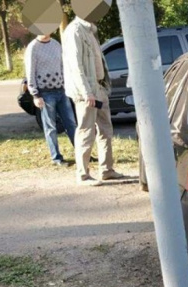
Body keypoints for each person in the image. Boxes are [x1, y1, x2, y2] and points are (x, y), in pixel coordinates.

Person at [62, 15, 126, 186]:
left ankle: (107, 170)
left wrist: (103, 87)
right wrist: (86, 92)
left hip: (99, 87)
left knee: (106, 130)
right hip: (86, 92)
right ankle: (82, 175)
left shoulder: (90, 29)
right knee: (86, 131)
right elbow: (76, 67)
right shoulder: (74, 31)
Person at [24, 32, 77, 166]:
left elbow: (63, 66)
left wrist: (68, 86)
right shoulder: (33, 47)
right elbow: (30, 72)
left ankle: (82, 153)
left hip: (61, 90)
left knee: (71, 123)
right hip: (45, 93)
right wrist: (35, 94)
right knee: (50, 127)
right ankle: (56, 158)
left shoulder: (56, 44)